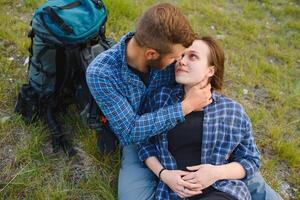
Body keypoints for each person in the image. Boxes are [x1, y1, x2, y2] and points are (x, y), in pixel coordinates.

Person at [86, 3, 282, 200]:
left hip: (192, 132)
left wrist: (219, 171)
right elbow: (129, 131)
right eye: (176, 58)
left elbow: (201, 64)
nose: (180, 61)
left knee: (250, 178)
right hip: (138, 136)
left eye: (187, 56)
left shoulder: (169, 47)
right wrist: (187, 106)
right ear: (151, 55)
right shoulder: (102, 73)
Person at [137, 37, 282, 200]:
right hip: (173, 193)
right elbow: (144, 143)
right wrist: (164, 175)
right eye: (181, 56)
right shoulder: (161, 98)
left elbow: (250, 160)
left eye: (193, 57)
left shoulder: (231, 111)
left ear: (210, 71)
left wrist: (215, 173)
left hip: (221, 191)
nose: (182, 61)